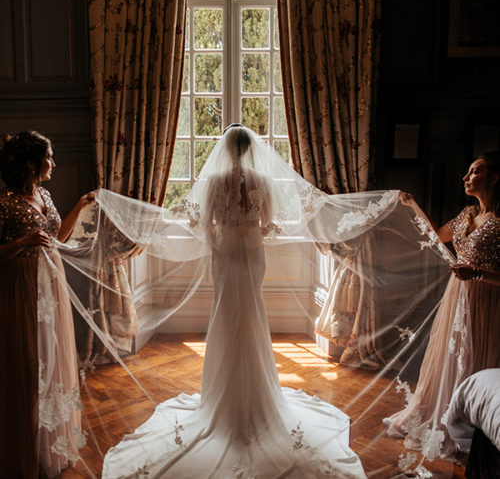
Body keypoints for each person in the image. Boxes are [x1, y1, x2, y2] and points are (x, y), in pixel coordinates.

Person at [101, 125, 367, 478]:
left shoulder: (214, 181)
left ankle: (220, 398)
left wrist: (223, 238)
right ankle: (256, 390)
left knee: (225, 315)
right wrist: (247, 227)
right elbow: (268, 221)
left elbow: (205, 222)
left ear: (225, 150)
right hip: (253, 253)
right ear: (249, 149)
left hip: (225, 253)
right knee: (252, 312)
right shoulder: (261, 179)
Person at [384, 151, 500, 458]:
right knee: (450, 353)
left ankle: (467, 420)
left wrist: (476, 272)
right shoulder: (466, 215)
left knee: (475, 351)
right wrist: (413, 206)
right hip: (457, 296)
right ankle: (441, 409)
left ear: (494, 178)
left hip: (487, 300)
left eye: (474, 172)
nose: (465, 177)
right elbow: (437, 237)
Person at [0, 131, 95, 478]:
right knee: (26, 365)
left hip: (50, 288)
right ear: (31, 163)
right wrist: (22, 242)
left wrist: (80, 206)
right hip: (19, 290)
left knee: (52, 359)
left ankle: (50, 443)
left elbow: (55, 239)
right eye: (49, 158)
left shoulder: (45, 194)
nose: (53, 163)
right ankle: (23, 447)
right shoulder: (5, 203)